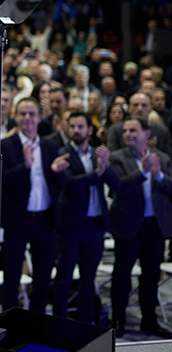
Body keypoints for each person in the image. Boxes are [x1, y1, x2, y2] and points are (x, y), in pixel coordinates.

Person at [108, 116, 172, 338]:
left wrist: (159, 175)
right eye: (125, 131)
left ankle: (149, 320)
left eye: (133, 130)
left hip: (154, 227)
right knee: (121, 276)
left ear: (147, 134)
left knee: (150, 277)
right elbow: (120, 187)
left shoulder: (162, 159)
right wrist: (143, 173)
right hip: (127, 227)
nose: (128, 134)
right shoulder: (116, 158)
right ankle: (117, 321)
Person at [50, 111, 116, 323]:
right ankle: (59, 323)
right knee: (64, 278)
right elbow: (70, 184)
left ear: (90, 130)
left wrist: (106, 166)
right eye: (72, 126)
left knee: (89, 280)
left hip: (95, 225)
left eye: (80, 126)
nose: (76, 130)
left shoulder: (99, 154)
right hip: (71, 226)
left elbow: (117, 185)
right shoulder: (63, 153)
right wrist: (96, 173)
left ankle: (87, 325)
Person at [0, 97, 60, 313]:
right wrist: (24, 166)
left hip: (45, 220)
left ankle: (37, 325)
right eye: (23, 114)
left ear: (39, 117)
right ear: (16, 116)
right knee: (12, 276)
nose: (27, 118)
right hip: (18, 220)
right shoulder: (6, 145)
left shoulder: (51, 146)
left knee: (43, 278)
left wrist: (55, 172)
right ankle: (7, 324)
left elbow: (60, 183)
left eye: (32, 114)